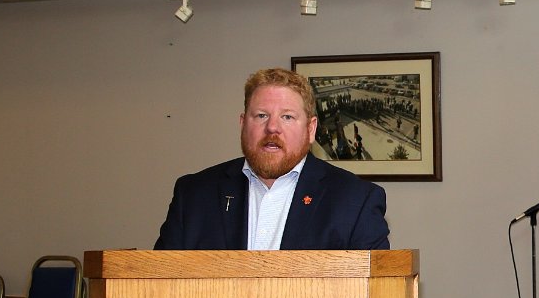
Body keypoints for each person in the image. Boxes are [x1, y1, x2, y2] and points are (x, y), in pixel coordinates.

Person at [155, 68, 390, 250]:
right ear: (242, 124)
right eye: (261, 115)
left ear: (311, 129)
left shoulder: (356, 201)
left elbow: (376, 293)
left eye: (287, 117)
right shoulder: (193, 195)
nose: (272, 128)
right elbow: (159, 285)